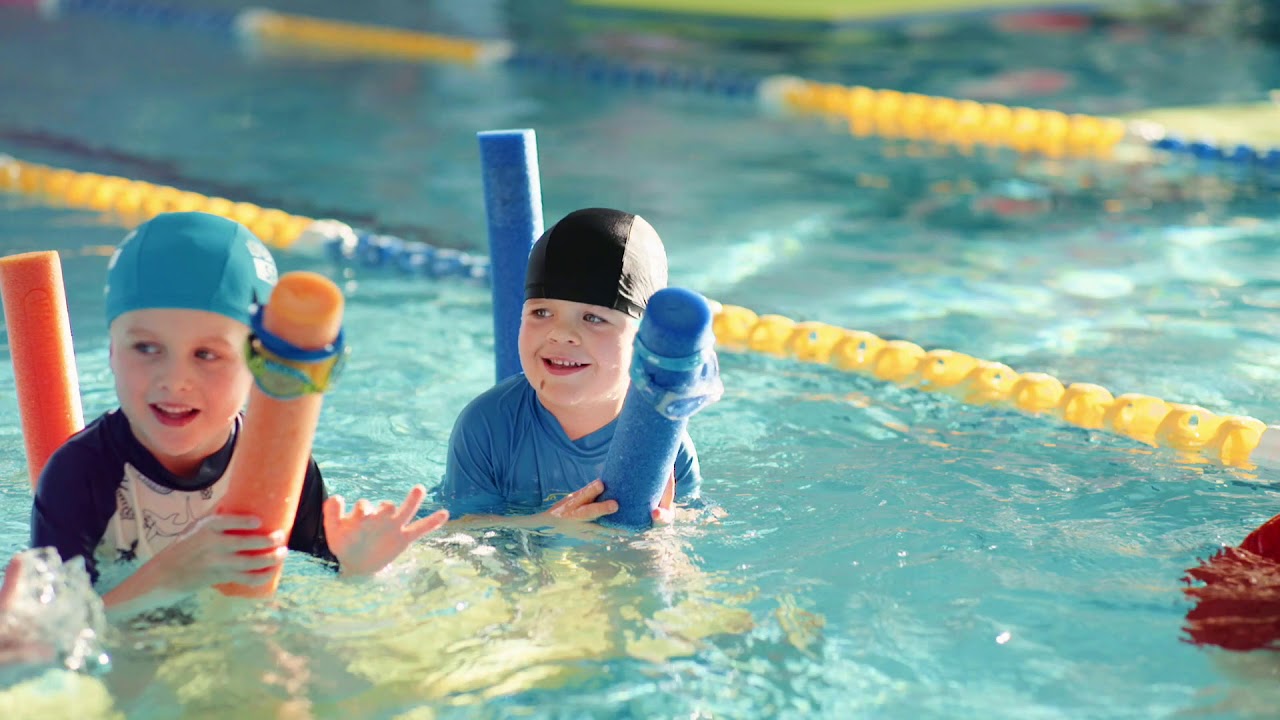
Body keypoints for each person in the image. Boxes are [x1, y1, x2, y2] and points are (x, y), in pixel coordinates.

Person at [29, 211, 448, 619]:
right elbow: (48, 638)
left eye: (207, 354)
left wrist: (359, 570)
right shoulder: (79, 474)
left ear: (256, 364)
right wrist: (172, 575)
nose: (175, 380)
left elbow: (324, 606)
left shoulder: (283, 468)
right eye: (146, 348)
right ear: (111, 354)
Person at [437, 207, 701, 525]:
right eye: (541, 313)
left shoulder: (660, 440)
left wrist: (664, 536)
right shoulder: (488, 426)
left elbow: (695, 529)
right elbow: (455, 536)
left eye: (594, 318)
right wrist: (549, 527)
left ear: (643, 340)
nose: (561, 334)